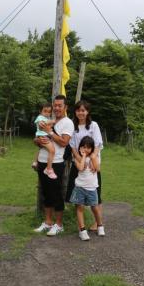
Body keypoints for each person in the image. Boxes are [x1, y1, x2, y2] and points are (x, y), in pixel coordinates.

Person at [33, 94, 73, 236]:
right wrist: (37, 141)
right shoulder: (47, 120)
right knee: (45, 193)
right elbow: (37, 140)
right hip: (43, 161)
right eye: (55, 105)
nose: (56, 108)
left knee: (56, 194)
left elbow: (63, 142)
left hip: (56, 163)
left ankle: (59, 224)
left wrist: (49, 131)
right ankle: (48, 221)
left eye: (59, 105)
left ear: (65, 107)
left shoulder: (67, 123)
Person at [65, 100, 104, 233]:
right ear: (75, 112)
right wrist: (79, 160)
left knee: (95, 193)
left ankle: (97, 222)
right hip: (78, 162)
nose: (81, 113)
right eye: (78, 110)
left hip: (93, 164)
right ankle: (80, 223)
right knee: (77, 193)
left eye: (83, 110)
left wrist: (92, 159)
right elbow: (73, 147)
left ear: (87, 112)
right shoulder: (73, 127)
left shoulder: (93, 125)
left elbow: (98, 145)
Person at [69, 136, 104, 241]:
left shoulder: (94, 157)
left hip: (92, 188)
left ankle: (100, 225)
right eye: (83, 147)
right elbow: (80, 167)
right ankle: (82, 230)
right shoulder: (76, 158)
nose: (86, 149)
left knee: (95, 208)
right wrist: (83, 156)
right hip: (80, 187)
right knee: (80, 208)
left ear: (92, 148)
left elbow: (98, 169)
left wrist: (93, 157)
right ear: (80, 148)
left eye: (88, 147)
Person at [31, 103, 57, 179]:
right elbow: (43, 124)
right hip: (42, 136)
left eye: (49, 112)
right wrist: (53, 121)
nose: (47, 113)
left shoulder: (46, 118)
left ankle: (35, 162)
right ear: (40, 111)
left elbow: (48, 126)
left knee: (41, 148)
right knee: (52, 151)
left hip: (43, 136)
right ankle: (48, 169)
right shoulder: (40, 117)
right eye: (45, 111)